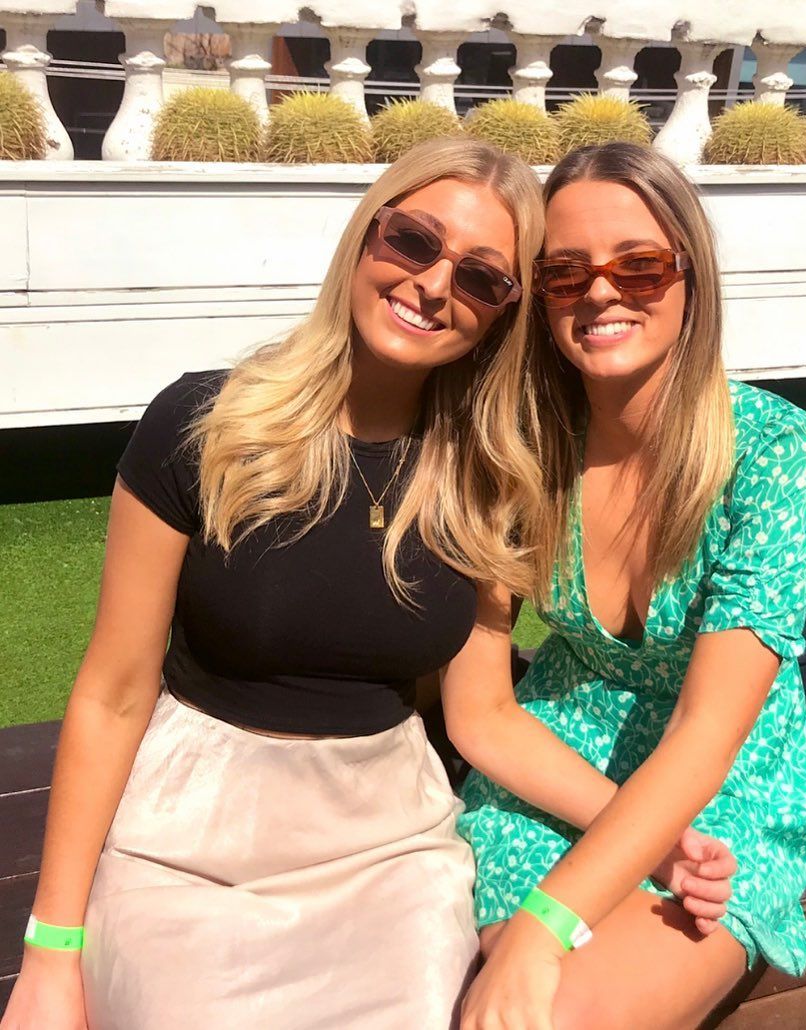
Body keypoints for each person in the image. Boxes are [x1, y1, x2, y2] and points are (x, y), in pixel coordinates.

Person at [2, 139, 734, 1030]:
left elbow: (482, 716)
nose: (433, 284)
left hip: (390, 845)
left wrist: (649, 839)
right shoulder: (205, 426)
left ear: (504, 314)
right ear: (366, 236)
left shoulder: (485, 478)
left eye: (482, 278)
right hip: (192, 839)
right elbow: (113, 693)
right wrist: (52, 947)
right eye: (414, 240)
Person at [447, 142, 806, 1029]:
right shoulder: (514, 446)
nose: (600, 292)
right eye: (566, 272)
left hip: (723, 790)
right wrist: (631, 840)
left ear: (690, 276)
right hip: (553, 770)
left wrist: (544, 928)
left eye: (640, 266)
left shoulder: (771, 451)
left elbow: (705, 732)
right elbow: (481, 713)